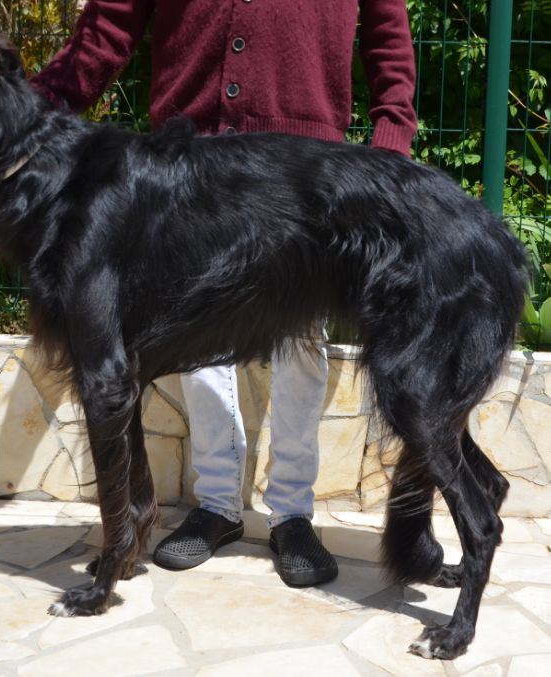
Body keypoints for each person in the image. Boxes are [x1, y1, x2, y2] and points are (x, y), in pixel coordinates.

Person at [31, 0, 417, 587]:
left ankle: (292, 513)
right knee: (197, 342)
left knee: (301, 344)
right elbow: (108, 24)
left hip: (302, 165)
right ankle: (217, 504)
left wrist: (389, 142)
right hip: (190, 158)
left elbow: (388, 31)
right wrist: (31, 114)